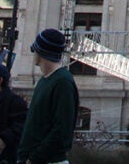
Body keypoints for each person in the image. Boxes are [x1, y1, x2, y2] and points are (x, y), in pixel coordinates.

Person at [16, 28, 80, 164]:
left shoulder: (62, 82)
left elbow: (62, 129)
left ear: (41, 52)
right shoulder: (46, 81)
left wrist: (34, 158)